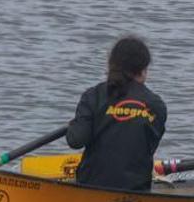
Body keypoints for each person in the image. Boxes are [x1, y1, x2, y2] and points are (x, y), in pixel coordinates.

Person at [66, 35, 167, 191]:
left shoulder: (93, 96)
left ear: (111, 65)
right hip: (137, 190)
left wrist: (74, 125)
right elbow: (147, 147)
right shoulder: (157, 106)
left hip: (90, 187)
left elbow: (75, 140)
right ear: (143, 70)